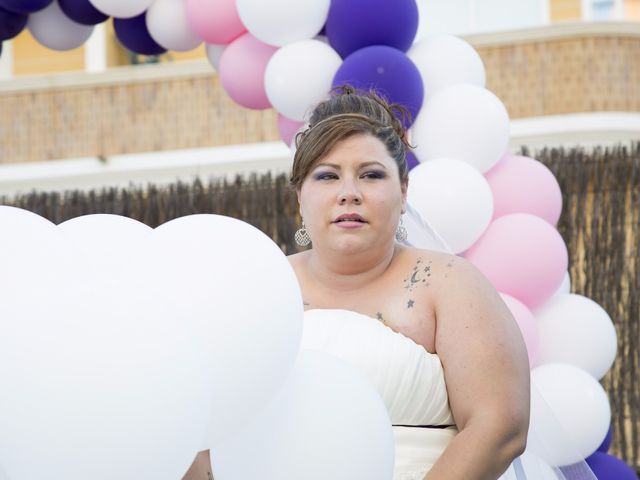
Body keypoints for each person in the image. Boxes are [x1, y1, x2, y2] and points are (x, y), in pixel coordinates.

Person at [183, 85, 530, 480]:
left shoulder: (449, 283)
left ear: (402, 191)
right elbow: (204, 439)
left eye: (371, 175)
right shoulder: (258, 290)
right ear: (300, 196)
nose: (349, 193)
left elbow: (500, 425)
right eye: (327, 176)